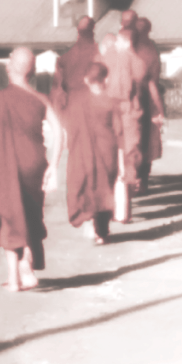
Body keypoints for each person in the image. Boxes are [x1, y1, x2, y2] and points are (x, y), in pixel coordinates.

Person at [0, 47, 63, 292]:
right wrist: (53, 166)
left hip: (5, 165)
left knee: (9, 217)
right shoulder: (41, 99)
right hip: (34, 164)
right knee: (30, 215)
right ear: (32, 72)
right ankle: (28, 268)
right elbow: (60, 131)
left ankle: (14, 279)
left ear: (9, 67)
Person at [63, 61, 121, 245]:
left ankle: (89, 219)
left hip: (83, 151)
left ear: (86, 80)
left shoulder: (77, 101)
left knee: (86, 186)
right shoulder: (111, 102)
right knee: (105, 189)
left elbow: (70, 128)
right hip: (107, 151)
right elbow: (119, 131)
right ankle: (102, 232)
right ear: (106, 78)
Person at [100, 27, 149, 194]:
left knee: (109, 146)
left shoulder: (109, 58)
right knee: (131, 149)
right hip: (130, 111)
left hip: (111, 108)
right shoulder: (139, 62)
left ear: (124, 42)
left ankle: (111, 185)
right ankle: (129, 184)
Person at [134, 17, 166, 192]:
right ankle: (142, 180)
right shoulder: (151, 48)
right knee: (146, 140)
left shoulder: (134, 47)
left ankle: (140, 179)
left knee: (142, 140)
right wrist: (160, 109)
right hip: (146, 96)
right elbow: (153, 79)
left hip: (138, 97)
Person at [50, 16, 99, 119]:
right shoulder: (98, 55)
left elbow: (56, 89)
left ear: (78, 31)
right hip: (92, 106)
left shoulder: (64, 58)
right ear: (93, 31)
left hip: (71, 107)